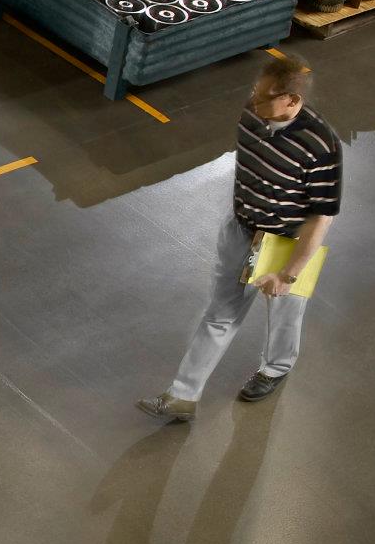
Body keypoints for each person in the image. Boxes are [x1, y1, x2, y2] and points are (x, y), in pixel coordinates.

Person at [139, 57, 342, 422]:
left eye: (266, 97)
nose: (254, 101)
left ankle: (276, 369)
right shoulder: (250, 115)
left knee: (284, 314)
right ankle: (182, 396)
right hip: (242, 230)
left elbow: (321, 216)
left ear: (292, 101)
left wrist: (289, 273)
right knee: (220, 314)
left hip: (289, 242)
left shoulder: (322, 144)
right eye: (254, 91)